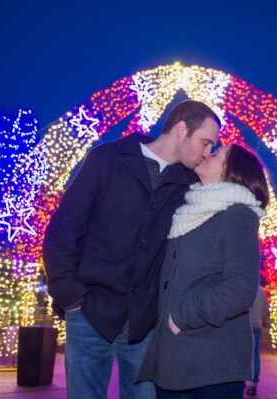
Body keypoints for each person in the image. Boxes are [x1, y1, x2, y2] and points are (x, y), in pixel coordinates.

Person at [42, 100, 221, 399]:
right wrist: (72, 299)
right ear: (181, 130)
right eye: (206, 142)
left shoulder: (191, 185)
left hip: (146, 327)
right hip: (90, 314)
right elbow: (64, 230)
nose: (208, 152)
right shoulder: (107, 159)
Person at [137, 144, 269, 399]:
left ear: (231, 171)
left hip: (212, 365)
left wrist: (181, 315)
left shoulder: (239, 215)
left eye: (217, 153)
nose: (208, 153)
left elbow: (240, 289)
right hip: (173, 363)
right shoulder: (187, 213)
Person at [245, 286, 270, 396]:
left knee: (242, 353)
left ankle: (241, 380)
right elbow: (266, 309)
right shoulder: (260, 291)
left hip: (245, 325)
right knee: (255, 353)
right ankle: (254, 383)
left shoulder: (245, 287)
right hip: (257, 325)